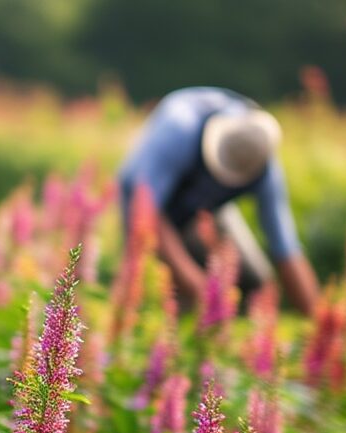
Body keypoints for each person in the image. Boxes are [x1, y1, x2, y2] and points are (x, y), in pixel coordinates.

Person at [118, 87, 320, 316]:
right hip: (145, 204)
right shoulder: (179, 130)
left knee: (256, 284)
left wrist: (320, 325)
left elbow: (286, 250)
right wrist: (197, 286)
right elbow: (146, 213)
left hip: (202, 212)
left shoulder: (262, 166)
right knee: (156, 295)